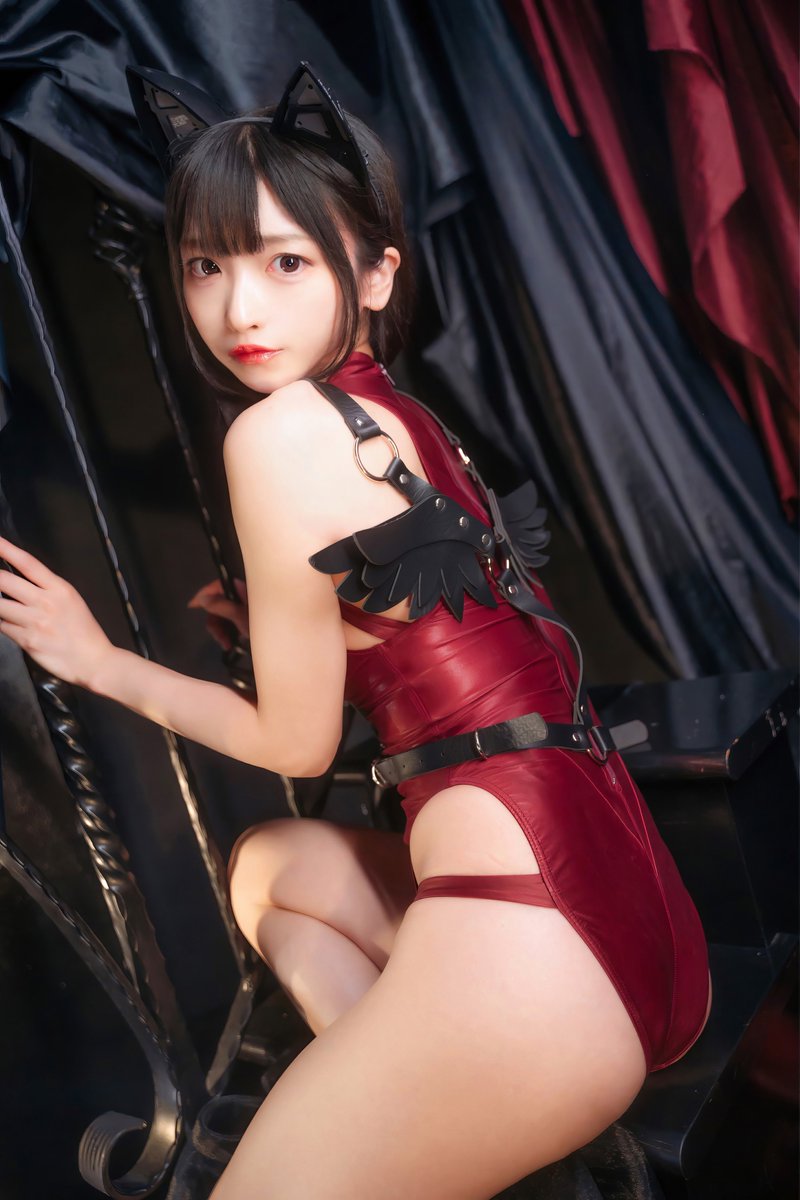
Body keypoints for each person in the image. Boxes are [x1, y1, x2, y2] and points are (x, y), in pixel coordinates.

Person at [0, 63, 712, 1199]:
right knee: (268, 868)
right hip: (635, 912)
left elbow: (294, 743)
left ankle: (419, 1100)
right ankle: (413, 1106)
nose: (239, 310)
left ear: (376, 272)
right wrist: (297, 628)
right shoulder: (398, 417)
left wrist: (100, 662)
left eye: (285, 262)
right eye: (205, 265)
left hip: (541, 958)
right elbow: (460, 644)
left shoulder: (276, 434)